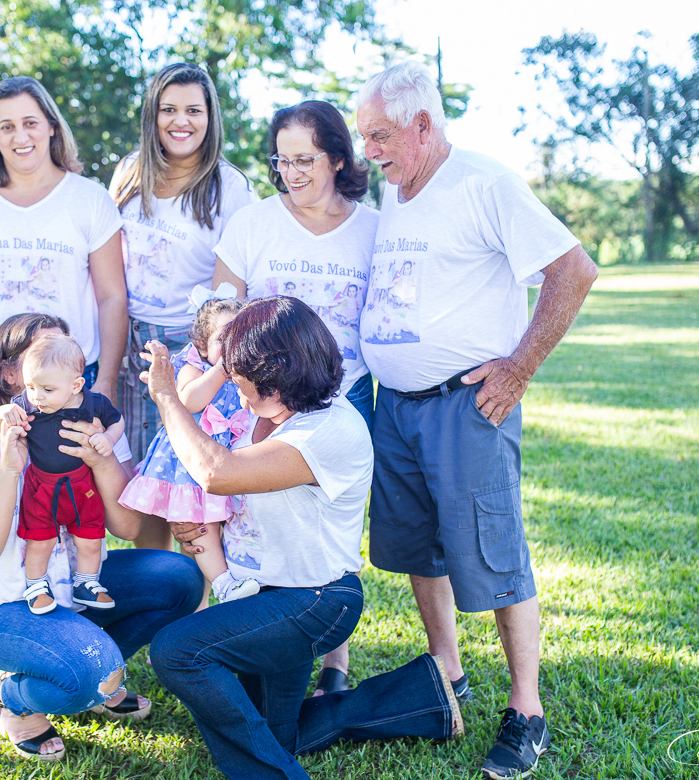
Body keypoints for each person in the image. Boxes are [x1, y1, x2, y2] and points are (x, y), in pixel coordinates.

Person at [356, 61, 599, 780]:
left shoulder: (484, 183)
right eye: (365, 137)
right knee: (418, 549)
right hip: (396, 408)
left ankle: (527, 711)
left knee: (495, 552)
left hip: (466, 405)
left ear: (422, 125)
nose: (369, 150)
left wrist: (519, 367)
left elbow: (574, 270)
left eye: (380, 135)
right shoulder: (395, 187)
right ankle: (448, 674)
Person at [145, 296, 464, 780]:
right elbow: (222, 491)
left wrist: (168, 397)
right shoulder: (260, 414)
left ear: (277, 378)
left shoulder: (328, 429)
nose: (237, 392)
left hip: (312, 601)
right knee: (277, 734)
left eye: (242, 381)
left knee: (176, 650)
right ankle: (422, 695)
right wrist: (196, 524)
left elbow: (215, 472)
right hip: (260, 594)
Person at [0, 312, 204, 761]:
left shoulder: (92, 422)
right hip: (1, 605)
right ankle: (16, 696)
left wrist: (100, 458)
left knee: (179, 578)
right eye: (42, 354)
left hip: (76, 585)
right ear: (11, 374)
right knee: (89, 673)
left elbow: (128, 528)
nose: (57, 363)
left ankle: (94, 663)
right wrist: (9, 469)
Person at [210, 100, 378, 693]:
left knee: (330, 529)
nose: (292, 172)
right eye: (282, 161)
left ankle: (335, 664)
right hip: (262, 399)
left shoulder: (373, 228)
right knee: (253, 517)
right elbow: (220, 311)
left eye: (305, 159)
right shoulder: (253, 223)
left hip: (343, 398)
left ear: (338, 158)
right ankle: (255, 636)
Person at [109, 63, 256, 550]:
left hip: (191, 347)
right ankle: (158, 581)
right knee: (146, 478)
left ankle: (199, 595)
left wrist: (209, 356)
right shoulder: (131, 171)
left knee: (189, 484)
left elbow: (233, 285)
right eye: (168, 109)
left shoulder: (229, 186)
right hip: (132, 340)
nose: (181, 121)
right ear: (152, 115)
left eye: (194, 110)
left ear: (210, 117)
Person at [0, 75, 127, 435]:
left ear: (51, 127)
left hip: (70, 377)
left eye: (30, 123)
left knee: (66, 470)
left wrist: (107, 380)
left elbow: (112, 297)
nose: (20, 137)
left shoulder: (90, 199)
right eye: (7, 126)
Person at [118, 291, 258, 603]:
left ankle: (208, 600)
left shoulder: (246, 373)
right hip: (189, 466)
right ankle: (223, 583)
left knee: (222, 529)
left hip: (226, 462)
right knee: (199, 527)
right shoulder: (193, 365)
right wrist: (221, 370)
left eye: (239, 337)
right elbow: (190, 401)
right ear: (202, 345)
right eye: (224, 338)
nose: (232, 345)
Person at [0, 334, 125, 614]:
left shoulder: (94, 404)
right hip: (41, 487)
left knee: (90, 539)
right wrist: (1, 414)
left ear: (76, 385)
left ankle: (87, 583)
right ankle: (36, 586)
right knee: (40, 541)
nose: (37, 396)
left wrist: (109, 439)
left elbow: (117, 421)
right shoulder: (25, 405)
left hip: (82, 485)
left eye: (47, 389)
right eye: (30, 386)